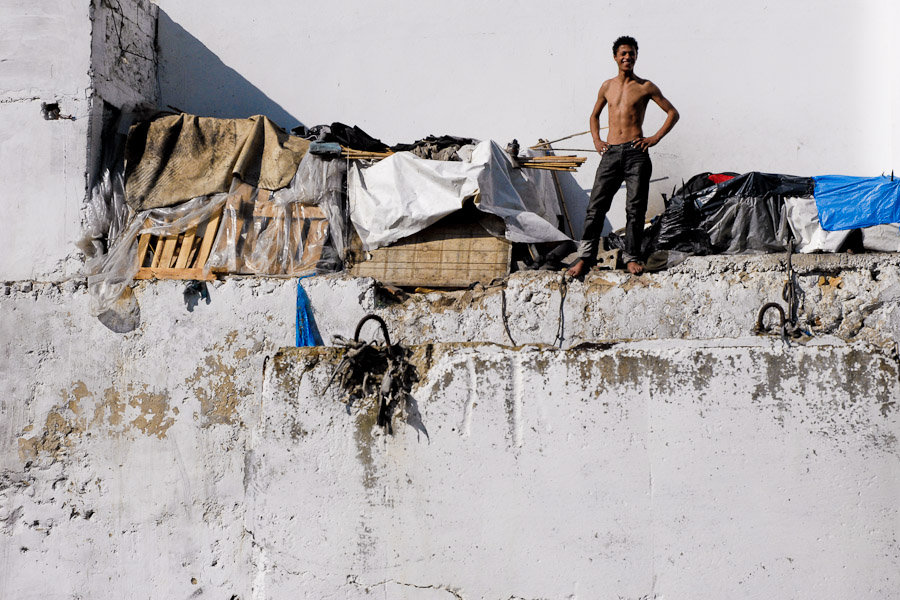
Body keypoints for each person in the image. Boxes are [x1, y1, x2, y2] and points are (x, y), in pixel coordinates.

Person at [567, 35, 679, 277]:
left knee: (635, 209)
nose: (627, 57)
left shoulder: (646, 86)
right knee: (595, 207)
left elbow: (672, 113)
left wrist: (654, 138)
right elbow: (594, 116)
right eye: (623, 54)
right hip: (611, 152)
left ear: (636, 56)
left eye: (631, 53)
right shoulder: (607, 86)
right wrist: (597, 140)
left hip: (636, 153)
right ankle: (585, 257)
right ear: (615, 57)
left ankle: (631, 257)